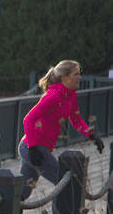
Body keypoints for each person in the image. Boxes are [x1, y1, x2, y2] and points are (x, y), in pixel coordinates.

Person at [20, 60, 104, 199]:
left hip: (40, 148)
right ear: (65, 78)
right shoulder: (53, 96)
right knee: (64, 184)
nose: (80, 77)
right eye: (76, 74)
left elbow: (76, 121)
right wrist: (32, 148)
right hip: (32, 147)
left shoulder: (71, 96)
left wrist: (92, 136)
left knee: (22, 193)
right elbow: (28, 119)